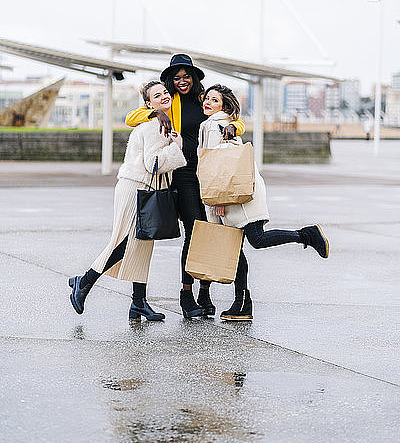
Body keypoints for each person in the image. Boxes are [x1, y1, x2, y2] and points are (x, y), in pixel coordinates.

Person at [125, 53, 246, 318]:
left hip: (201, 174)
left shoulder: (201, 99)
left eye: (187, 76)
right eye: (177, 78)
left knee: (203, 232)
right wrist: (155, 112)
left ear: (194, 78)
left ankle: (200, 293)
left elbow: (230, 117)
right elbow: (131, 118)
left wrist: (234, 127)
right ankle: (169, 296)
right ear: (170, 80)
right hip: (175, 175)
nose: (182, 81)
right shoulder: (168, 102)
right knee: (173, 232)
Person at [198, 84, 330, 321]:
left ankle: (306, 235)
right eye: (207, 98)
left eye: (214, 100)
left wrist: (219, 197)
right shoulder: (212, 124)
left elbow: (222, 163)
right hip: (235, 193)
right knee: (235, 250)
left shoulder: (218, 125)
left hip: (237, 195)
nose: (208, 102)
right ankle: (242, 304)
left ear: (224, 106)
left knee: (256, 240)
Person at [68, 81, 186, 322]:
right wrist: (177, 146)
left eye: (165, 93)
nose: (164, 96)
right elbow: (153, 163)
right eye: (157, 95)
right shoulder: (155, 124)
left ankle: (138, 302)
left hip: (142, 187)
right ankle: (85, 282)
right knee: (123, 241)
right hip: (136, 187)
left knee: (143, 244)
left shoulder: (161, 122)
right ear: (148, 103)